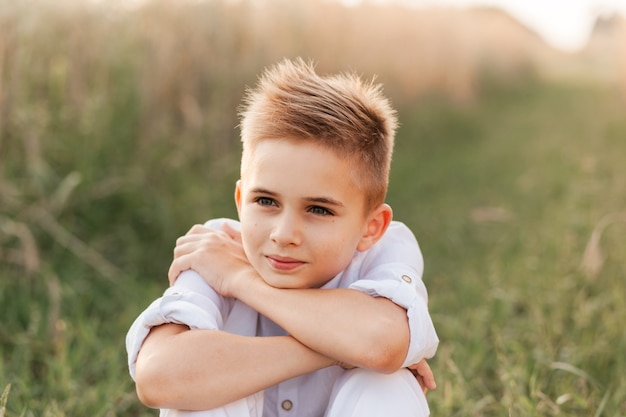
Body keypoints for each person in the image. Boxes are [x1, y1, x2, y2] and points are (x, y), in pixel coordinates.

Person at [126, 58, 439, 417]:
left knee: (384, 381)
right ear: (241, 202)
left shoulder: (386, 247)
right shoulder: (217, 246)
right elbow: (160, 378)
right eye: (266, 201)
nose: (284, 235)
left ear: (371, 227)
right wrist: (348, 349)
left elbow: (381, 341)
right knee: (198, 390)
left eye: (319, 210)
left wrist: (242, 280)